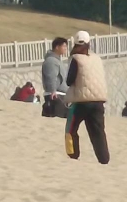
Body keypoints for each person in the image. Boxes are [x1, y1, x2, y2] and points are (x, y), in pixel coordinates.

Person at [63, 30, 110, 164]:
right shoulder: (97, 58)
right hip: (99, 100)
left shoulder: (76, 59)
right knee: (98, 131)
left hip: (81, 101)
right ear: (89, 43)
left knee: (71, 129)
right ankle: (104, 160)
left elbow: (69, 80)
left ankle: (73, 156)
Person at [41, 37, 70, 118]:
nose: (65, 48)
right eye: (64, 46)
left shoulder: (56, 60)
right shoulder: (51, 61)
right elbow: (51, 77)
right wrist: (52, 90)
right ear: (57, 47)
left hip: (60, 95)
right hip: (55, 96)